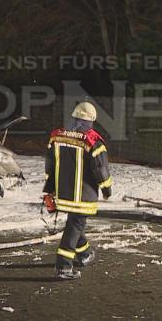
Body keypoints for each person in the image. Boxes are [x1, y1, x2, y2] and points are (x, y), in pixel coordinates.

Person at [43, 102, 113, 280]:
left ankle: (84, 253)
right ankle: (64, 266)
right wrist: (106, 189)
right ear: (91, 120)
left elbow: (50, 165)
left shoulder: (57, 136)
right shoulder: (93, 142)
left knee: (75, 224)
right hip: (83, 195)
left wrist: (48, 189)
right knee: (75, 226)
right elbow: (100, 169)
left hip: (63, 194)